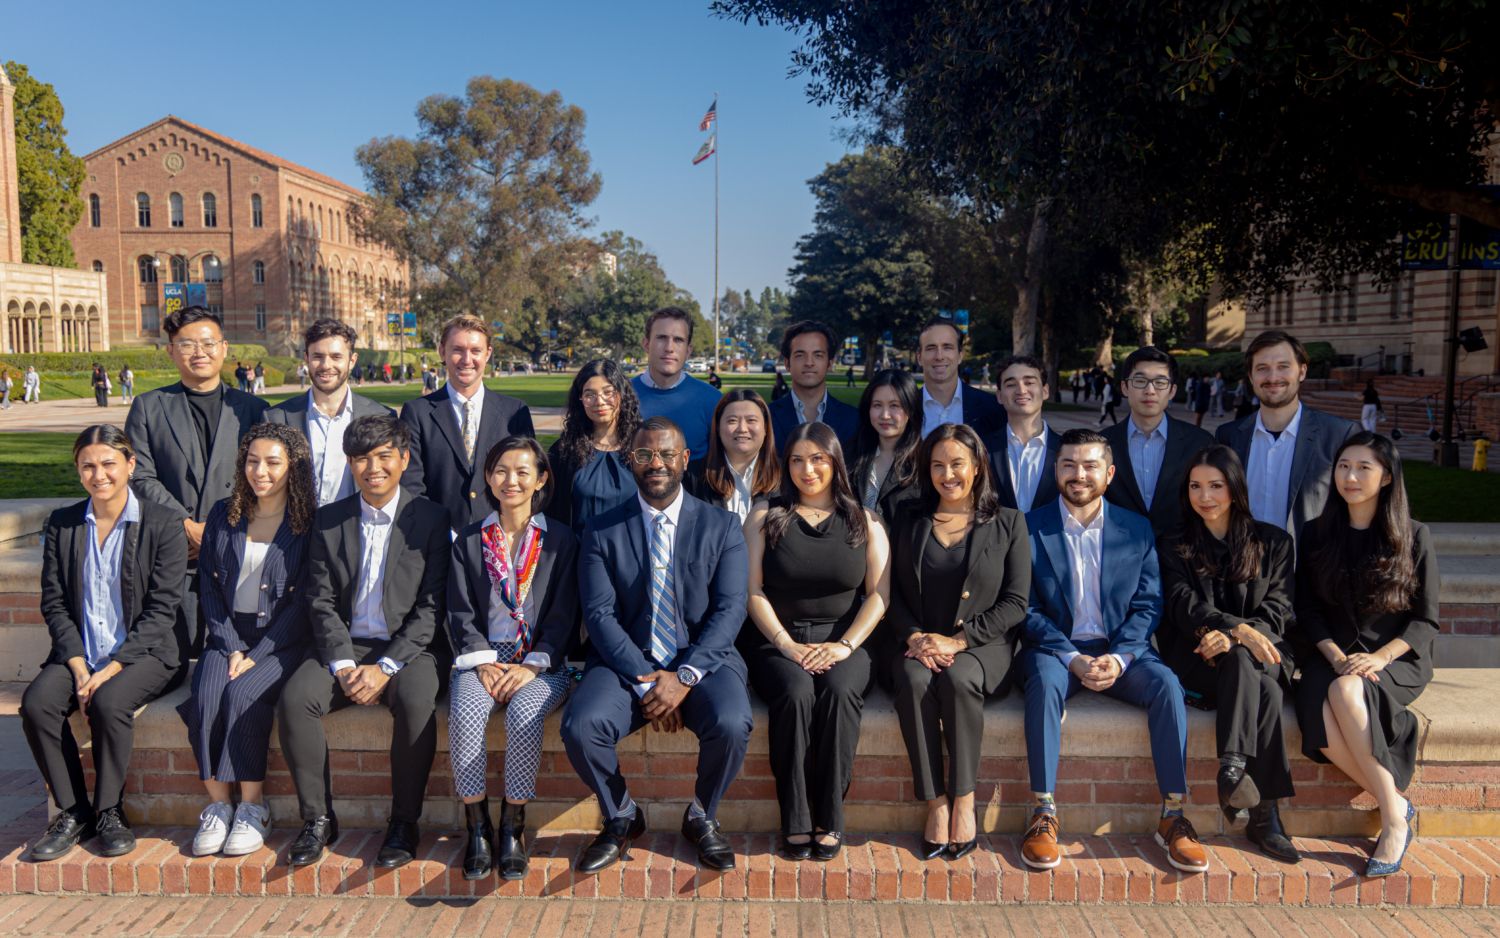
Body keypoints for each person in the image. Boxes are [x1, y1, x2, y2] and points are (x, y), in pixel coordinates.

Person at [561, 416, 752, 873]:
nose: (656, 463)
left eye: (667, 454)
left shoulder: (722, 527)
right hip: (625, 660)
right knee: (581, 725)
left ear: (685, 460)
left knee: (731, 721)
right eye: (645, 454)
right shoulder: (601, 530)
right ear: (631, 460)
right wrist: (648, 683)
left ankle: (702, 815)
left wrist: (685, 677)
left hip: (703, 657)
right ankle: (622, 815)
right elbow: (600, 616)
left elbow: (730, 610)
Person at [1018, 429, 1208, 874]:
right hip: (1055, 650)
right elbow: (1024, 607)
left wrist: (1120, 658)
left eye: (1090, 466)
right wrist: (1072, 658)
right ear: (1055, 469)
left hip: (1123, 651)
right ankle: (1044, 812)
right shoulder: (1027, 527)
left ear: (1109, 473)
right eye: (1069, 464)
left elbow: (1149, 603)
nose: (1078, 474)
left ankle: (1173, 815)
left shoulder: (1136, 528)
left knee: (1166, 685)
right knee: (1044, 685)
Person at [276, 415, 452, 869]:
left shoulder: (431, 519)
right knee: (295, 700)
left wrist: (385, 667)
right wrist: (342, 665)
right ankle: (317, 819)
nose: (372, 467)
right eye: (360, 459)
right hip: (345, 647)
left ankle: (403, 823)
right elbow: (319, 599)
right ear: (349, 464)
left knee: (416, 704)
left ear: (403, 458)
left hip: (409, 649)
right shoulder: (329, 520)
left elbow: (431, 608)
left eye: (382, 456)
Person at [23, 425, 187, 861]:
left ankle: (110, 810)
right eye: (88, 466)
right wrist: (78, 665)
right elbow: (55, 603)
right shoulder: (63, 523)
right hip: (82, 651)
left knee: (110, 702)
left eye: (109, 463)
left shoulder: (164, 522)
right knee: (37, 704)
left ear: (130, 466)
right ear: (78, 472)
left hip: (147, 653)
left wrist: (112, 668)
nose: (100, 475)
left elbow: (163, 608)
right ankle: (74, 811)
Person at [742, 421, 890, 860]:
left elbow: (879, 595)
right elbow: (753, 591)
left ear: (835, 462)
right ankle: (797, 818)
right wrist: (787, 644)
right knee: (795, 692)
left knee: (841, 692)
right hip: (776, 640)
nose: (808, 469)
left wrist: (845, 646)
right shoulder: (764, 515)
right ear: (786, 465)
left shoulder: (864, 519)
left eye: (818, 459)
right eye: (798, 460)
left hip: (844, 641)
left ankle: (830, 817)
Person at [1293, 432, 1437, 877]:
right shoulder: (1317, 532)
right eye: (1343, 466)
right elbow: (1307, 610)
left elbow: (1425, 620)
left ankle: (1393, 822)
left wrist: (1380, 659)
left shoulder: (1413, 535)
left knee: (1348, 691)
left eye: (1364, 468)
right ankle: (1396, 803)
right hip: (1328, 653)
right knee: (1320, 710)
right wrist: (1336, 656)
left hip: (1395, 659)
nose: (1350, 477)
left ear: (1388, 477)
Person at [887, 422, 1028, 861]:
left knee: (959, 680)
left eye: (957, 464)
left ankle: (965, 799)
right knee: (912, 681)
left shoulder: (1008, 522)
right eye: (938, 465)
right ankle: (935, 803)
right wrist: (913, 635)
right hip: (918, 643)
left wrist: (960, 641)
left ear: (977, 466)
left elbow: (1016, 602)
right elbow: (886, 592)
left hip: (982, 649)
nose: (948, 474)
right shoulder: (908, 518)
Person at [446, 436, 581, 881]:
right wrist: (482, 659)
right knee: (466, 713)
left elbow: (564, 614)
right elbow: (460, 610)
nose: (512, 480)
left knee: (525, 712)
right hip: (482, 656)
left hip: (541, 659)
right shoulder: (469, 539)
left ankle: (513, 825)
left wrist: (532, 664)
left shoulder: (561, 540)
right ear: (488, 477)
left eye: (524, 471)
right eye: (501, 470)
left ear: (541, 479)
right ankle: (478, 826)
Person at [180, 423, 317, 858]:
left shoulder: (311, 521)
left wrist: (257, 655)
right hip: (228, 635)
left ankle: (253, 807)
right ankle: (219, 806)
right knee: (205, 695)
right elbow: (208, 588)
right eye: (252, 461)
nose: (261, 471)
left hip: (283, 641)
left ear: (292, 468)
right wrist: (233, 647)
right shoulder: (224, 513)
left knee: (242, 694)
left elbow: (304, 604)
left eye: (273, 462)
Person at [1158, 445, 1299, 862]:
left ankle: (1234, 771)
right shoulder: (1173, 543)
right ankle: (1264, 817)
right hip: (1200, 658)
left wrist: (1240, 637)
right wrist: (1232, 631)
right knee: (1265, 691)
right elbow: (1182, 604)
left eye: (1216, 486)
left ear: (1235, 489)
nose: (1205, 497)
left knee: (1249, 665)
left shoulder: (1274, 542)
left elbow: (1277, 609)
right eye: (1196, 486)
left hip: (1263, 653)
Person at [126, 306, 269, 658]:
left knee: (233, 657)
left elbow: (267, 477)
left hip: (239, 550)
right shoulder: (148, 406)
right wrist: (186, 525)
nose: (199, 352)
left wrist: (218, 530)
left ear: (223, 348)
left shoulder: (255, 409)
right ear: (171, 351)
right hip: (177, 554)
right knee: (179, 659)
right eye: (187, 344)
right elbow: (139, 475)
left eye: (208, 343)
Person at [400, 315, 535, 534]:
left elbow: (526, 481)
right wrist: (440, 533)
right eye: (457, 350)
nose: (466, 359)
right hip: (438, 543)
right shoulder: (417, 413)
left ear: (488, 354)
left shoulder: (515, 412)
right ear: (442, 352)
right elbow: (411, 485)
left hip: (503, 539)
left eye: (475, 351)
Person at [1216, 330, 1359, 536]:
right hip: (1243, 563)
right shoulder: (1227, 436)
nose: (1273, 377)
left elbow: (1359, 508)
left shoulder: (1340, 434)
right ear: (1250, 376)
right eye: (1262, 368)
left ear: (1302, 372)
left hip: (1310, 564)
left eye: (1283, 367)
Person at [266, 319, 394, 506]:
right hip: (294, 532)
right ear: (306, 359)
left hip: (355, 530)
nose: (326, 365)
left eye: (336, 357)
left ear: (352, 361)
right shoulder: (275, 417)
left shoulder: (382, 416)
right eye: (318, 356)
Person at [1100, 347, 1215, 538]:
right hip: (1120, 558)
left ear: (1172, 391)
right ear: (1125, 388)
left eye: (1160, 382)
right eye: (1140, 381)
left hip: (1182, 559)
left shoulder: (1201, 442)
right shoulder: (1100, 444)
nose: (1150, 390)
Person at [545, 360, 641, 533]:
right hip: (579, 555)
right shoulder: (563, 452)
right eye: (590, 395)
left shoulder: (642, 447)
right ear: (580, 400)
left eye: (608, 392)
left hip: (632, 555)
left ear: (622, 394)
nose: (600, 401)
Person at [630, 306, 724, 459]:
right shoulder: (620, 396)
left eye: (678, 340)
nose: (669, 348)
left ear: (688, 350)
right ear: (646, 345)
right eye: (661, 338)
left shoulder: (712, 399)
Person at [684, 388, 779, 524]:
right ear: (717, 427)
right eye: (732, 421)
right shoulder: (691, 477)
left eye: (751, 420)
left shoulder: (787, 475)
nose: (742, 428)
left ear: (765, 427)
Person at [845, 369, 923, 532]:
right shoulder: (848, 455)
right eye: (877, 405)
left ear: (912, 410)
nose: (885, 415)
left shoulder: (925, 462)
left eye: (894, 405)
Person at [983, 354, 1062, 514]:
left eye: (1029, 383)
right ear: (999, 396)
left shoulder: (1066, 449)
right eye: (1011, 384)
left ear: (1045, 391)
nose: (1021, 390)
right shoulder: (981, 449)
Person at [769, 321, 862, 452]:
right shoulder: (765, 418)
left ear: (830, 363)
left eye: (818, 355)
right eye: (800, 355)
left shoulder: (855, 419)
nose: (809, 363)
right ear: (787, 363)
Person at [916, 316, 1003, 438]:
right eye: (931, 348)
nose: (939, 356)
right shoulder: (904, 409)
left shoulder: (993, 409)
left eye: (947, 347)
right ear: (919, 358)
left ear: (960, 356)